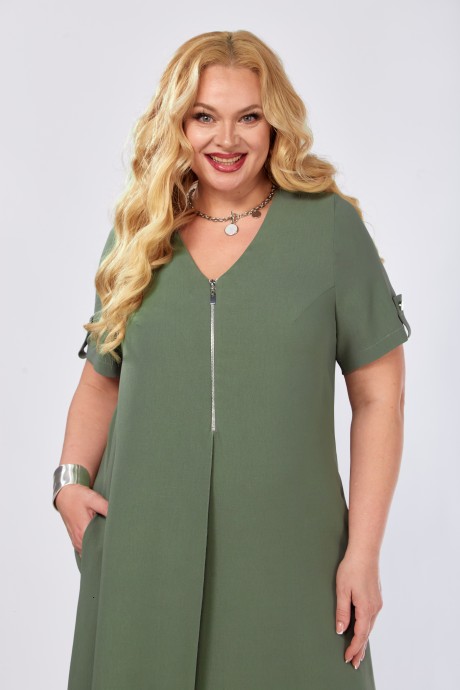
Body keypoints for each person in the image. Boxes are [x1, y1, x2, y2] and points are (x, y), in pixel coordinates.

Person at [53, 30, 412, 690]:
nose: (227, 139)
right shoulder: (142, 233)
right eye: (204, 116)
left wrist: (363, 553)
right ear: (179, 123)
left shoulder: (328, 228)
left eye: (248, 116)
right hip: (144, 554)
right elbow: (102, 380)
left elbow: (379, 396)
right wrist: (70, 481)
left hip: (292, 557)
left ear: (275, 123)